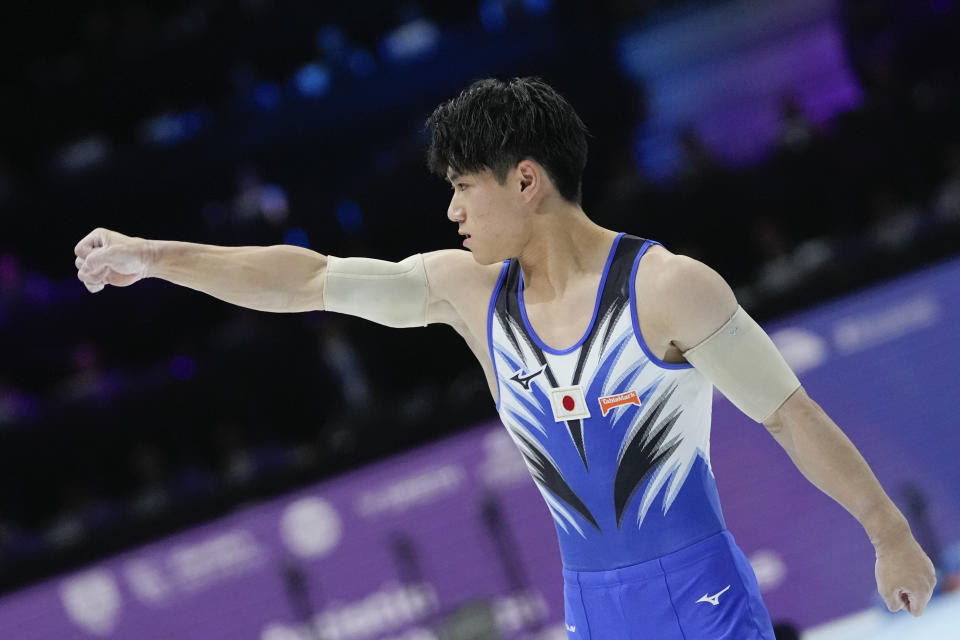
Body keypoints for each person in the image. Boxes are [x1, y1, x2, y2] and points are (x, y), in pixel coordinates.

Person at [74, 77, 936, 639]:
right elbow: (307, 280)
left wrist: (890, 536)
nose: (450, 209)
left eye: (461, 185)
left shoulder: (668, 287)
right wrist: (156, 256)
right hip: (590, 608)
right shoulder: (467, 292)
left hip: (698, 600)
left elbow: (789, 414)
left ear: (526, 180)